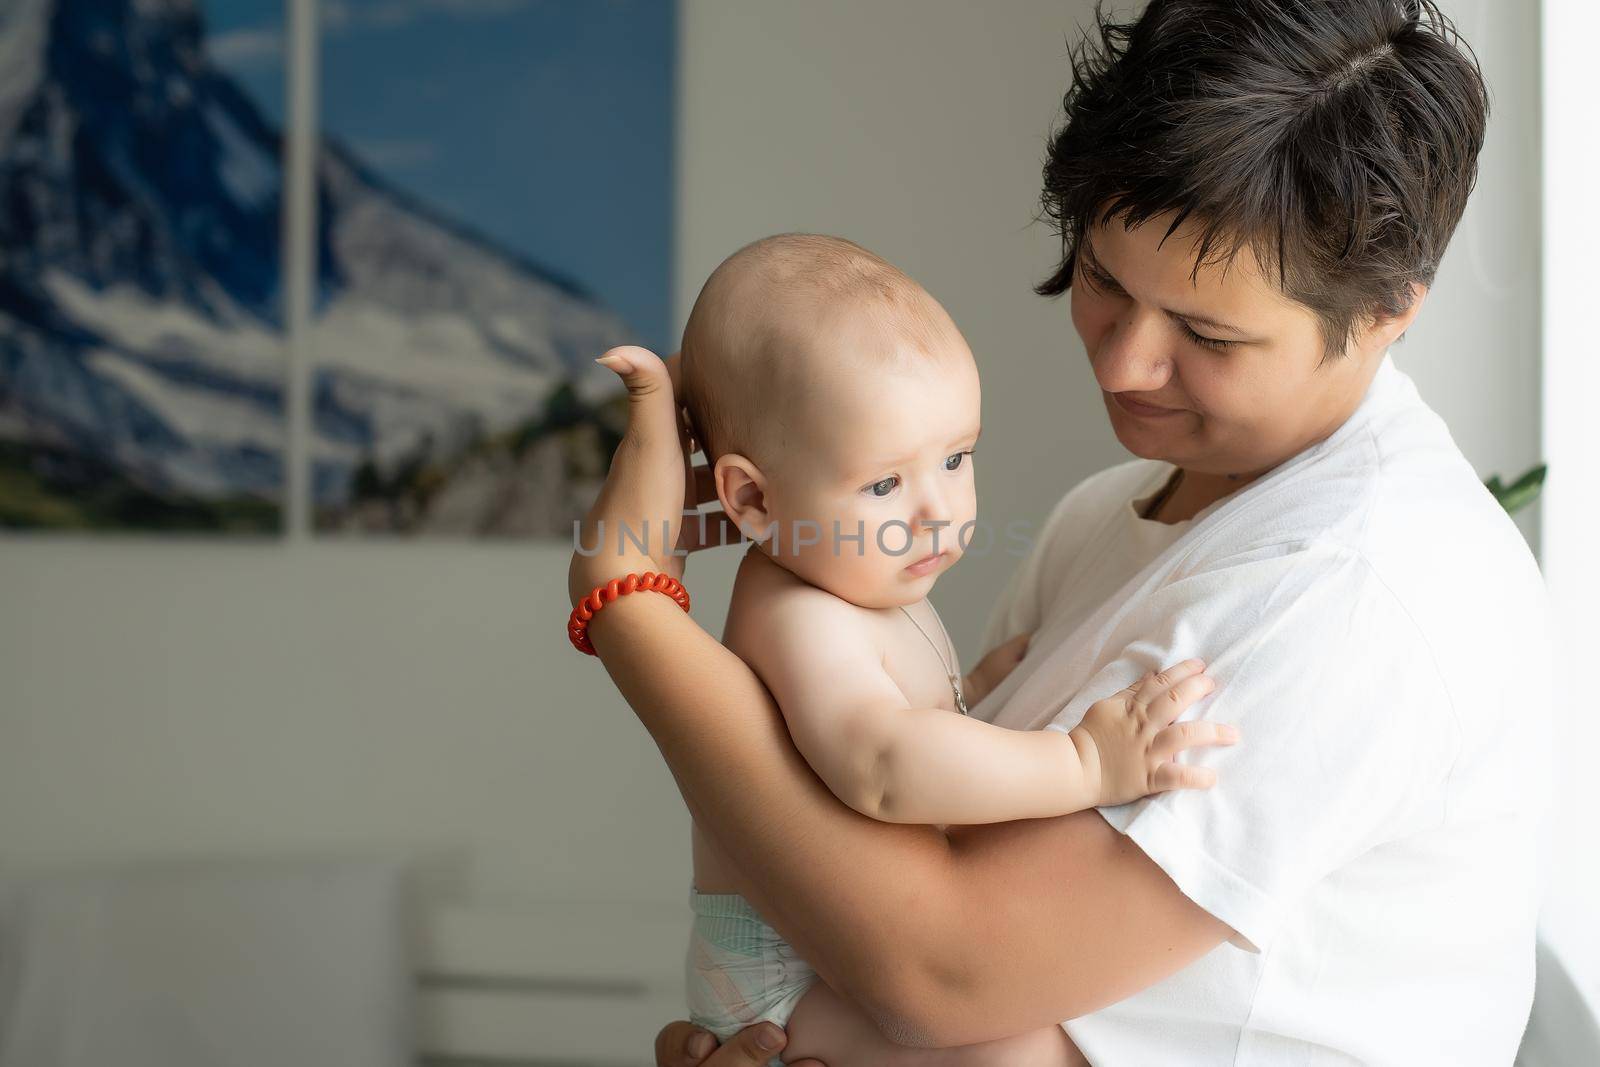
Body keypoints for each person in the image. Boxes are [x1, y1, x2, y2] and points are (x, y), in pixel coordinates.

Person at [567, 1, 1552, 1062]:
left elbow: (940, 974)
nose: (1124, 364)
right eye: (1102, 279)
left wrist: (629, 605)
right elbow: (901, 855)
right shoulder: (1105, 515)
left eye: (1205, 332)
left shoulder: (1359, 588)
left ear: (1388, 310)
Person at [658, 233, 1235, 1066]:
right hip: (779, 986)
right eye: (886, 483)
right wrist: (1084, 763)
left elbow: (878, 712)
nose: (938, 509)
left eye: (957, 457)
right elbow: (883, 763)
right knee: (1018, 1052)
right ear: (752, 498)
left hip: (820, 946)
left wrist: (973, 685)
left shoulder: (860, 579)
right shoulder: (795, 610)